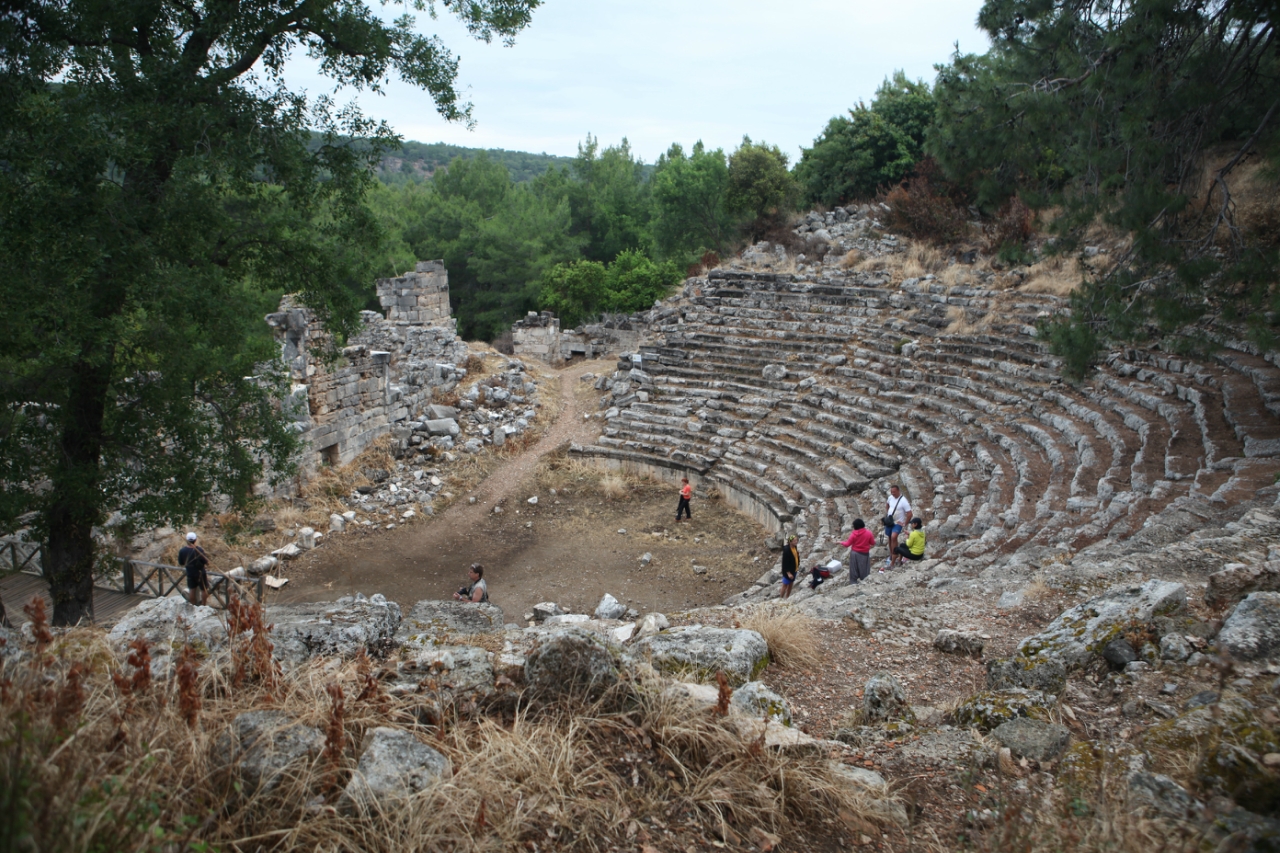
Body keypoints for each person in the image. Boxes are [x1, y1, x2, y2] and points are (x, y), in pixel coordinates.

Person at [883, 484, 912, 570]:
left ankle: (894, 557)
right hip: (890, 521)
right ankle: (891, 554)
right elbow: (887, 504)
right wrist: (889, 513)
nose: (893, 494)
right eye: (891, 492)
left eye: (894, 492)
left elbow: (910, 513)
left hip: (898, 523)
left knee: (894, 536)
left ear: (898, 491)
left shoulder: (903, 501)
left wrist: (905, 523)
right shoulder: (890, 498)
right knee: (889, 536)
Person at [177, 532, 209, 606]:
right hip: (200, 572)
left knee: (192, 589)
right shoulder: (199, 550)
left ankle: (193, 605)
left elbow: (181, 562)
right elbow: (205, 561)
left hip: (190, 572)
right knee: (204, 589)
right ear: (195, 540)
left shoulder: (182, 551)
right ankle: (204, 605)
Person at [840, 518, 875, 584]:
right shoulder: (869, 533)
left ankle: (853, 582)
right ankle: (865, 580)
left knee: (854, 569)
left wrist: (841, 542)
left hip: (855, 553)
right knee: (864, 568)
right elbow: (872, 543)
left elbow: (847, 544)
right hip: (865, 553)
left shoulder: (853, 534)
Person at [779, 533, 799, 599]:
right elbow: (785, 563)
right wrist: (788, 573)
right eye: (794, 541)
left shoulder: (795, 547)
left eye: (796, 540)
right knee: (785, 585)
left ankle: (787, 597)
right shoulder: (787, 550)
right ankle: (780, 598)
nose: (796, 542)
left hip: (794, 569)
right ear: (790, 542)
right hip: (788, 572)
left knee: (791, 584)